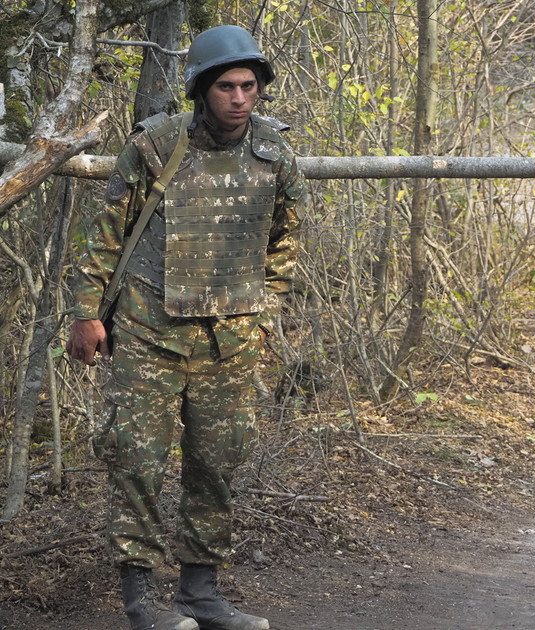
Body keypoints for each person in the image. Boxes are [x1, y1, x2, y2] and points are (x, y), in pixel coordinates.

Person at [67, 24, 306, 630]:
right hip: (150, 331)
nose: (239, 97)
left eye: (249, 85)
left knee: (217, 463)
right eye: (226, 85)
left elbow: (286, 245)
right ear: (203, 88)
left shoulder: (275, 157)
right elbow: (105, 237)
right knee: (137, 460)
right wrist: (87, 314)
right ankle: (141, 600)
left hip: (231, 340)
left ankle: (202, 595)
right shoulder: (155, 146)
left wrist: (262, 311)